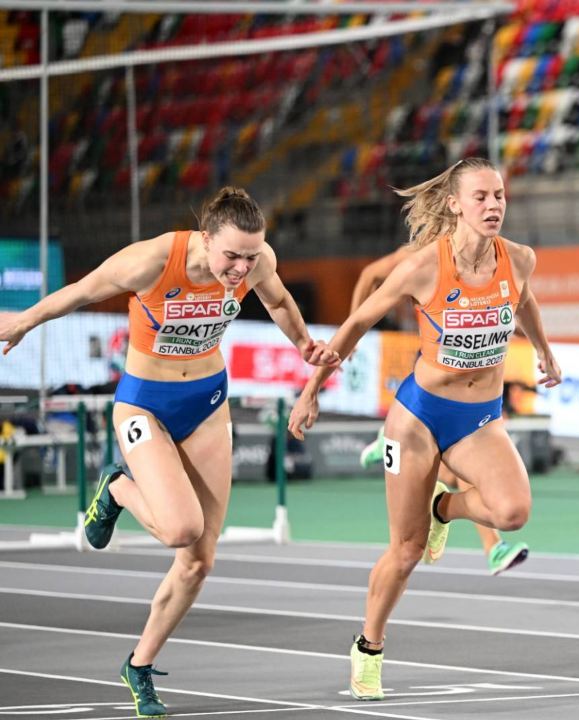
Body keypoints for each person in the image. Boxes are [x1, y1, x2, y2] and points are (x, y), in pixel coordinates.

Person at [0, 187, 337, 717]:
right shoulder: (153, 260)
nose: (241, 268)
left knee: (199, 561)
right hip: (144, 405)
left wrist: (302, 346)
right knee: (182, 527)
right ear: (205, 239)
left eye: (251, 257)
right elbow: (82, 292)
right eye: (232, 256)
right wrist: (23, 322)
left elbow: (277, 300)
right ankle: (115, 487)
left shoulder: (257, 261)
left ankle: (138, 666)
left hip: (207, 404)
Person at [287, 157, 561, 701]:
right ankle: (369, 646)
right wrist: (310, 389)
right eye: (481, 197)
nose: (493, 206)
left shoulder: (520, 259)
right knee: (407, 551)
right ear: (456, 204)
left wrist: (546, 353)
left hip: (478, 418)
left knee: (512, 511)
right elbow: (359, 321)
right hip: (418, 419)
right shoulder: (423, 267)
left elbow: (524, 301)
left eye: (500, 196)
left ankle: (444, 507)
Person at [350, 245, 530, 576]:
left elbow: (522, 300)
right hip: (433, 369)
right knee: (452, 464)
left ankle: (491, 545)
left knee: (458, 465)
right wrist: (356, 331)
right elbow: (368, 275)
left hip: (471, 383)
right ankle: (492, 545)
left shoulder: (492, 257)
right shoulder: (420, 254)